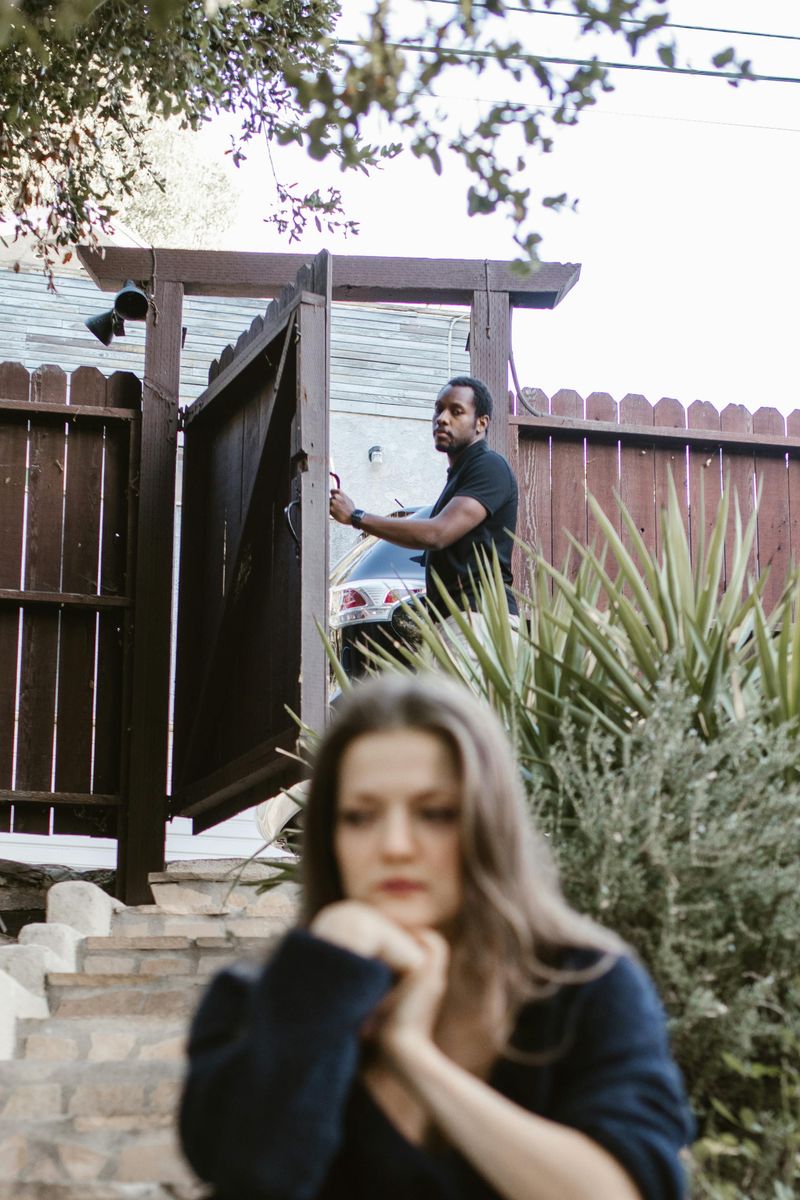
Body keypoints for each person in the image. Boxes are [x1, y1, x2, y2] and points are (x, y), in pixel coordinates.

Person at [180, 675, 694, 1200]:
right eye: (360, 816)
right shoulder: (254, 998)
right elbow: (250, 1175)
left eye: (436, 813)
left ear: (489, 824)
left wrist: (412, 1053)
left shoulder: (586, 985)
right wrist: (326, 976)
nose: (395, 846)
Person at [329, 376, 518, 620]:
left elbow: (436, 534)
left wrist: (357, 517)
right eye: (439, 409)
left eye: (456, 411)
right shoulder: (459, 478)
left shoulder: (490, 466)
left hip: (481, 620)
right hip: (456, 621)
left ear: (481, 423)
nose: (442, 418)